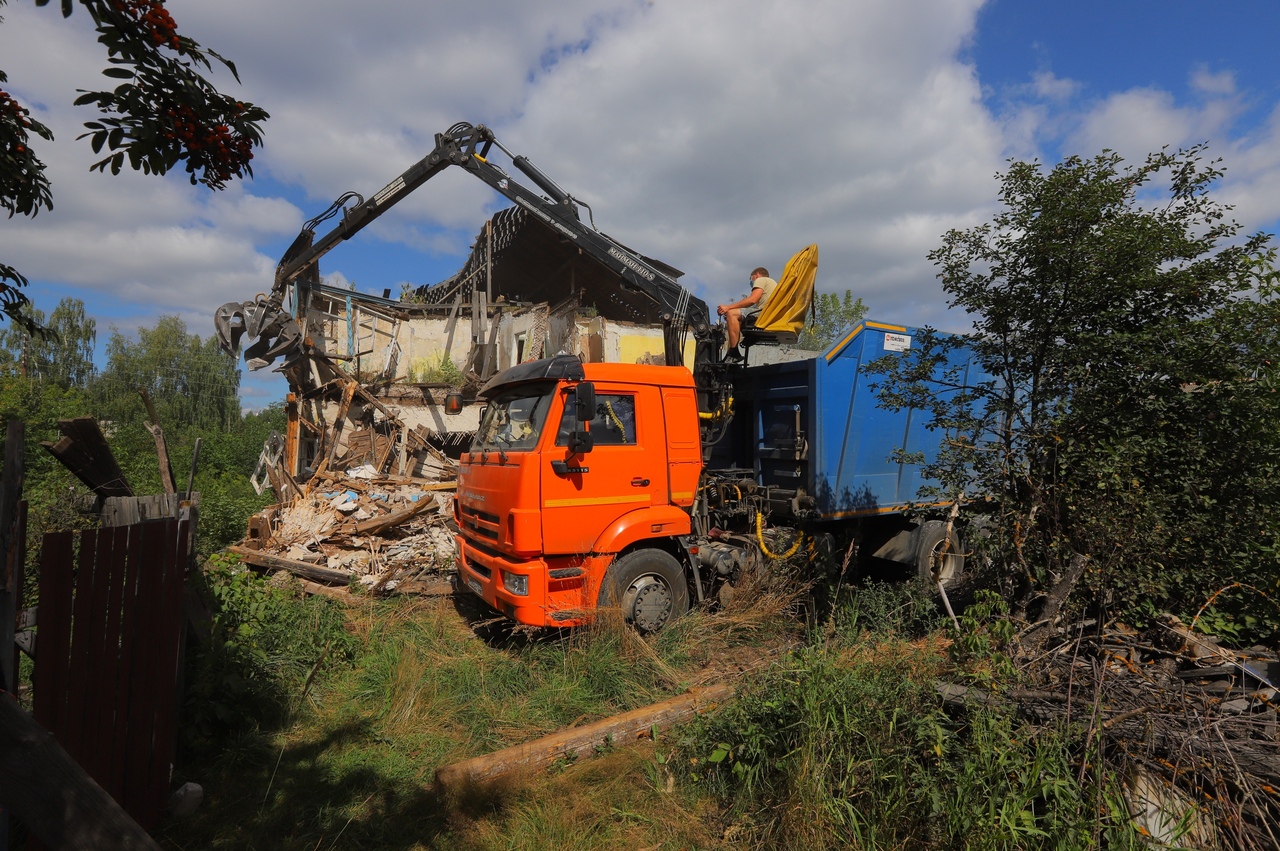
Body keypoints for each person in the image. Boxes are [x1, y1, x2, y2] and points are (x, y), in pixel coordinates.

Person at [716, 267, 777, 360]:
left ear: (756, 275)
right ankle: (731, 352)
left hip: (762, 313)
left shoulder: (760, 280)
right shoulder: (772, 283)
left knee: (732, 313)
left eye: (750, 279)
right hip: (768, 314)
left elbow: (752, 300)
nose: (751, 282)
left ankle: (733, 352)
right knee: (733, 317)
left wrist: (728, 307)